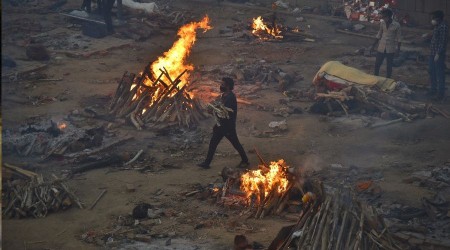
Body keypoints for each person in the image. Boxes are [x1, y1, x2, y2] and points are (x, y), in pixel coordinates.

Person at [198, 77, 249, 169]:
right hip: (220, 125)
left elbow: (224, 111)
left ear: (228, 86)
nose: (221, 86)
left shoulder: (230, 97)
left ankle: (245, 160)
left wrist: (215, 110)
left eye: (223, 84)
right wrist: (211, 109)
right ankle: (207, 163)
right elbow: (218, 108)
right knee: (213, 143)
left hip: (228, 126)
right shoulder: (223, 95)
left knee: (235, 143)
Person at [371, 8, 401, 79]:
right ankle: (375, 79)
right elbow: (379, 34)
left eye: (385, 17)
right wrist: (373, 45)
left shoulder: (397, 25)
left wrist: (398, 50)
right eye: (383, 16)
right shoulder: (382, 23)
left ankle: (388, 80)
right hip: (381, 47)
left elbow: (399, 39)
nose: (383, 18)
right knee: (377, 64)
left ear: (389, 16)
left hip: (390, 49)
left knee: (389, 66)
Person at [428, 10, 448, 100]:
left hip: (438, 54)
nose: (432, 19)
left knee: (440, 73)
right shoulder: (437, 26)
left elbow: (443, 42)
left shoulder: (443, 26)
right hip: (432, 53)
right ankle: (433, 90)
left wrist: (438, 53)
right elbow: (436, 37)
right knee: (432, 71)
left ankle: (440, 94)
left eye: (433, 18)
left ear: (438, 18)